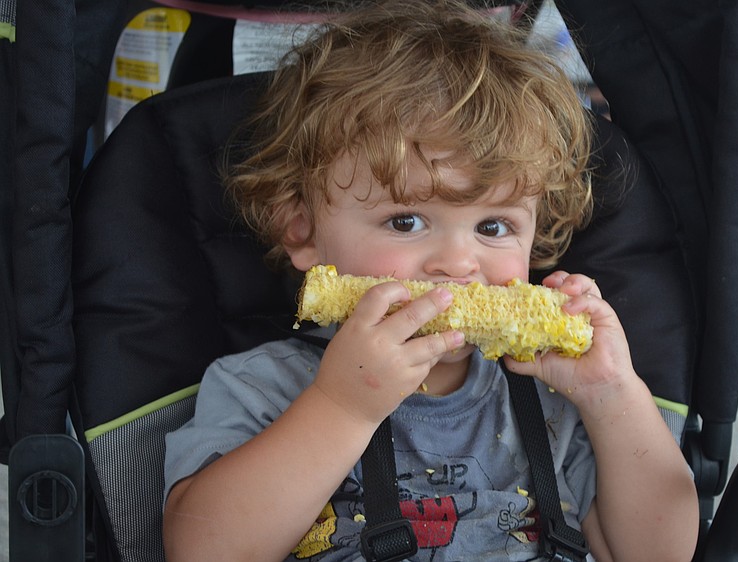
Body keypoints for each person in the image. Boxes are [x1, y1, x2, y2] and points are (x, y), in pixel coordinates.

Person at [161, 2, 699, 561]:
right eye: (406, 221)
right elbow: (201, 551)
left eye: (493, 226)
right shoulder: (260, 388)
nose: (458, 262)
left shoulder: (556, 403)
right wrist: (342, 408)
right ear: (302, 230)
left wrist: (614, 397)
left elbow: (661, 553)